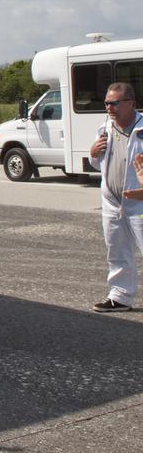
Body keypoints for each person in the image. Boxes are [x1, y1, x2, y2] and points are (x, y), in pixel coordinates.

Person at [88, 82, 143, 312]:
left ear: (130, 103)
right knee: (117, 251)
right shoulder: (105, 129)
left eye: (114, 103)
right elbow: (97, 163)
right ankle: (120, 296)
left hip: (139, 202)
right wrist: (92, 152)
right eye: (107, 103)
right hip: (113, 202)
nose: (109, 108)